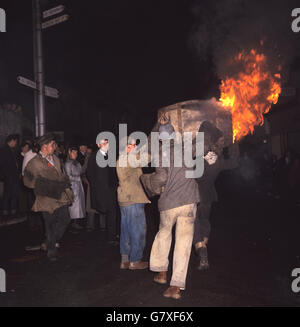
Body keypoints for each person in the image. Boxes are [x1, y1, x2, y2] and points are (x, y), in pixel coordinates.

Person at [141, 123, 200, 299]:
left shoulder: (161, 153)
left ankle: (161, 272)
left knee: (164, 234)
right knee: (184, 242)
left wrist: (150, 183)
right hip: (189, 201)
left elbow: (161, 178)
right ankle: (175, 286)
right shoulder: (187, 148)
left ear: (161, 138)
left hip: (170, 203)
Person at [23, 133, 74, 261]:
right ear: (44, 146)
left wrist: (65, 181)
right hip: (46, 199)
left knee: (65, 219)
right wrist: (40, 185)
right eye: (52, 144)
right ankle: (51, 251)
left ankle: (49, 242)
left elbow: (60, 174)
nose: (55, 146)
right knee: (50, 224)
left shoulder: (55, 158)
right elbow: (26, 181)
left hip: (60, 196)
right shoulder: (34, 162)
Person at [193, 142, 239, 271]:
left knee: (195, 227)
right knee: (205, 223)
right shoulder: (218, 161)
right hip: (207, 197)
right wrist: (233, 144)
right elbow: (234, 162)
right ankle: (203, 250)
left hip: (195, 198)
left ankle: (202, 254)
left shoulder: (197, 162)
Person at [117, 139, 150, 270]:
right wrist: (150, 150)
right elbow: (145, 159)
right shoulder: (128, 159)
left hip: (125, 200)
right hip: (133, 200)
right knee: (138, 230)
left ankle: (124, 259)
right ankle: (135, 260)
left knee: (126, 230)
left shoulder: (123, 159)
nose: (135, 146)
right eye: (131, 145)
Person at [87, 139, 118, 244]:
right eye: (103, 143)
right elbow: (90, 174)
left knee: (112, 213)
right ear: (98, 145)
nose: (106, 145)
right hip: (101, 191)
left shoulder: (112, 156)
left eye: (107, 143)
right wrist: (97, 189)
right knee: (104, 211)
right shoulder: (93, 157)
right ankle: (107, 236)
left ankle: (112, 237)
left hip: (112, 190)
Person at [65, 147, 86, 230]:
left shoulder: (77, 163)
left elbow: (81, 172)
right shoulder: (67, 163)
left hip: (78, 186)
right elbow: (68, 176)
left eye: (76, 153)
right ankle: (70, 224)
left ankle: (75, 222)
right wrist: (77, 178)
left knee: (78, 205)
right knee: (72, 205)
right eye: (73, 153)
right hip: (72, 186)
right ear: (69, 153)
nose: (75, 155)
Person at [0, 134, 20, 219]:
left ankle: (12, 210)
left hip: (13, 176)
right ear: (12, 140)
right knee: (8, 193)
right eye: (15, 141)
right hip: (9, 176)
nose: (16, 143)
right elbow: (3, 165)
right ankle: (7, 211)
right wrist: (6, 176)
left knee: (12, 193)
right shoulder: (4, 150)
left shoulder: (12, 150)